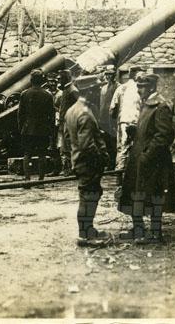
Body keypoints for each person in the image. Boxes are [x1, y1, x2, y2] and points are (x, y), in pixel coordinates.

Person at [118, 74, 175, 243]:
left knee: (154, 195)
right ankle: (138, 229)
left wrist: (147, 155)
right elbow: (149, 130)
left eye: (142, 87)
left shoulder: (161, 106)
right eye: (138, 86)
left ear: (151, 87)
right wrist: (134, 130)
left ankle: (156, 233)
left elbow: (164, 135)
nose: (139, 90)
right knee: (135, 193)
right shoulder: (147, 104)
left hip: (153, 161)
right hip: (140, 157)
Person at [64, 75, 110, 245]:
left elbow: (67, 137)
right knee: (88, 197)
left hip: (79, 160)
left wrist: (74, 154)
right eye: (96, 90)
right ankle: (85, 236)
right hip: (88, 163)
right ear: (89, 91)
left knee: (89, 195)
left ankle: (88, 229)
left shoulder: (72, 110)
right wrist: (101, 158)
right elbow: (87, 146)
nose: (98, 92)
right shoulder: (85, 113)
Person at [18, 69, 55, 180]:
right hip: (42, 129)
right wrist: (51, 129)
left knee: (27, 154)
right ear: (42, 81)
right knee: (42, 154)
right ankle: (41, 180)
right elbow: (51, 115)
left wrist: (21, 128)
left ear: (31, 80)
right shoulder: (48, 95)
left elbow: (20, 114)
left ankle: (27, 179)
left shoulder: (24, 94)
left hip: (27, 129)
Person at [109, 65, 143, 180]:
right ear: (135, 74)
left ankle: (119, 177)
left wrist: (117, 118)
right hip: (138, 122)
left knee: (122, 149)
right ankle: (134, 177)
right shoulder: (141, 88)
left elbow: (112, 109)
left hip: (123, 122)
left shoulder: (121, 88)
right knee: (137, 148)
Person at [57, 69, 79, 175]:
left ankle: (73, 168)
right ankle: (68, 168)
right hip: (64, 122)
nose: (59, 81)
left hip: (69, 122)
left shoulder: (72, 90)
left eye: (61, 79)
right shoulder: (67, 89)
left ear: (66, 79)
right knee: (65, 146)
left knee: (70, 145)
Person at [97, 65, 119, 169]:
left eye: (111, 74)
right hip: (104, 119)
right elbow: (101, 104)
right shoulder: (103, 88)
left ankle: (113, 163)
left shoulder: (118, 87)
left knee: (113, 140)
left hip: (113, 118)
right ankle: (108, 162)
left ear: (114, 75)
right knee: (105, 141)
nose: (109, 76)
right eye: (107, 74)